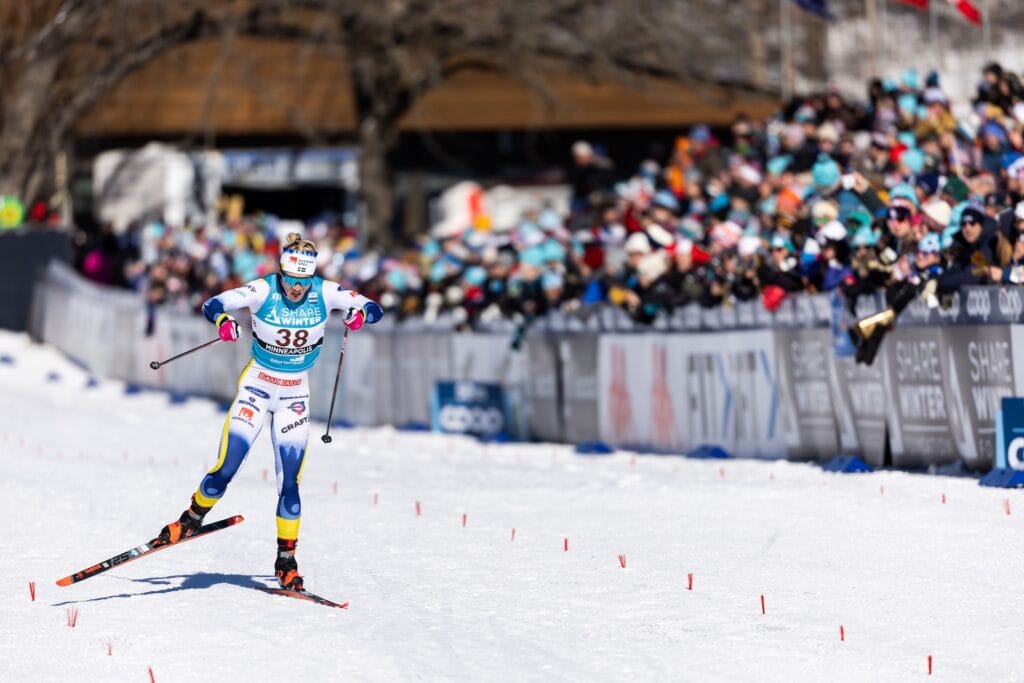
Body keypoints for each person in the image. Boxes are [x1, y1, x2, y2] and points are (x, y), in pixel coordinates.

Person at [156, 233, 384, 590]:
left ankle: (286, 562)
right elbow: (213, 304)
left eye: (303, 281)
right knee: (226, 469)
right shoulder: (263, 289)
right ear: (281, 272)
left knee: (290, 484)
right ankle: (191, 518)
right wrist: (224, 323)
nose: (296, 288)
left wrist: (360, 316)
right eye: (290, 280)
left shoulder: (324, 292)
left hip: (295, 395)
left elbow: (374, 307)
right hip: (257, 388)